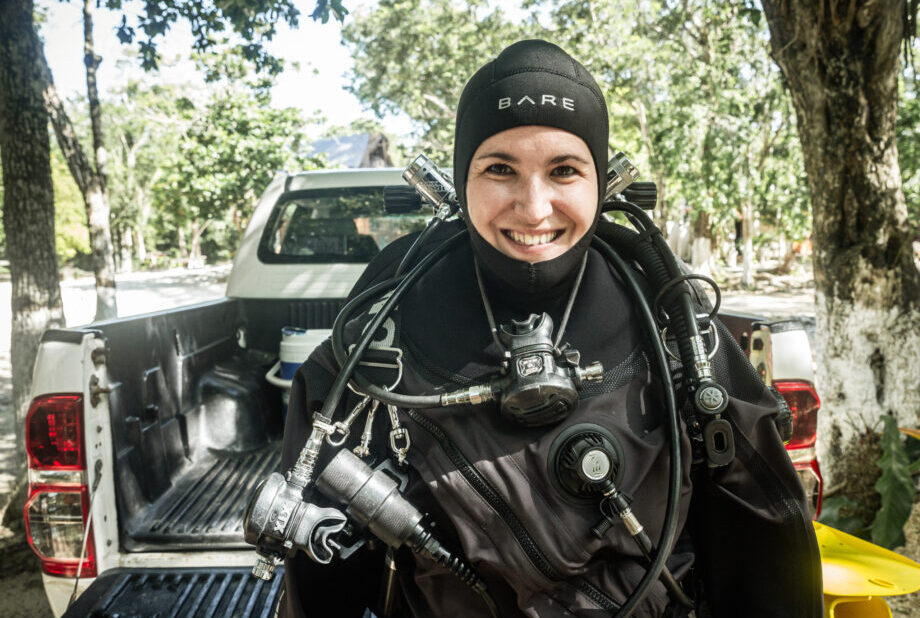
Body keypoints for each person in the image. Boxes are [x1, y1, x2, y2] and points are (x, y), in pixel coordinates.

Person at [278, 40, 822, 617]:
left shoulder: (670, 325)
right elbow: (319, 562)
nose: (534, 208)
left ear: (601, 180)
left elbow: (767, 548)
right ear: (462, 182)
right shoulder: (383, 335)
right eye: (499, 169)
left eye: (563, 170)